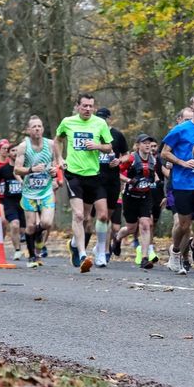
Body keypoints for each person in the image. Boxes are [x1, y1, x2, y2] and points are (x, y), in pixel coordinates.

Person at [54, 92, 115, 272]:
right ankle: (82, 254)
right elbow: (58, 140)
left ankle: (73, 244)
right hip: (73, 174)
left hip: (93, 175)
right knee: (79, 215)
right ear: (77, 106)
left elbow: (109, 147)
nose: (88, 109)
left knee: (88, 218)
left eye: (91, 106)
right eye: (84, 106)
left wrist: (97, 146)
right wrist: (59, 159)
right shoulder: (68, 122)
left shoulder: (100, 123)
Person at [161, 95, 194, 276]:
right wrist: (182, 163)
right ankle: (175, 251)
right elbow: (165, 153)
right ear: (192, 108)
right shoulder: (180, 130)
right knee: (183, 226)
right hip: (182, 184)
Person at [14, 115, 58, 268]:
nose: (37, 129)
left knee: (46, 223)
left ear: (43, 129)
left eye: (39, 126)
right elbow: (17, 169)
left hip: (46, 191)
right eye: (34, 127)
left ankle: (38, 235)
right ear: (28, 130)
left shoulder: (51, 144)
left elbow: (57, 162)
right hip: (29, 193)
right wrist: (31, 169)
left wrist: (54, 171)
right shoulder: (23, 146)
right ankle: (32, 256)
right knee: (31, 226)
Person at [116, 134, 161, 269]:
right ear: (138, 145)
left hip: (145, 196)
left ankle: (145, 258)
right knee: (131, 228)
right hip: (130, 197)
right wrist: (129, 180)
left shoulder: (153, 159)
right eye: (144, 143)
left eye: (149, 142)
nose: (147, 145)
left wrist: (155, 180)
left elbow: (153, 174)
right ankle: (117, 239)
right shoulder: (131, 158)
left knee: (146, 224)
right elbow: (116, 172)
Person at [95, 107, 129, 261]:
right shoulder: (92, 133)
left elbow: (126, 155)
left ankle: (103, 247)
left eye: (104, 118)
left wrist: (119, 160)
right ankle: (102, 251)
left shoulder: (117, 135)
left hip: (112, 179)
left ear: (109, 119)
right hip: (96, 178)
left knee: (107, 217)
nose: (101, 120)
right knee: (101, 216)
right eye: (99, 117)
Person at [0, 147, 25, 260]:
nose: (15, 153)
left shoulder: (25, 168)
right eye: (13, 151)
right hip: (9, 202)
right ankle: (17, 250)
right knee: (14, 224)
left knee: (25, 229)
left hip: (25, 201)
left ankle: (34, 250)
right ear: (8, 153)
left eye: (17, 150)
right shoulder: (4, 169)